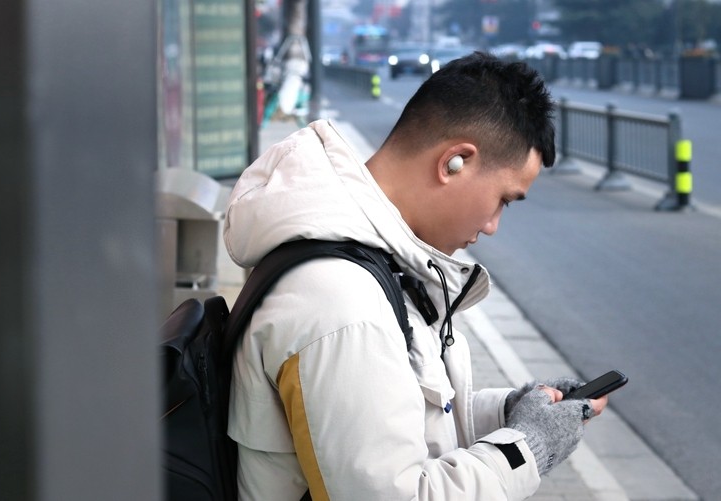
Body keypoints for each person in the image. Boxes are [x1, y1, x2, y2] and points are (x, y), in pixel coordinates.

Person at [223, 52, 607, 500]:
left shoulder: (365, 261)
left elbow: (403, 419)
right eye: (504, 199)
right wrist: (530, 447)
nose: (492, 226)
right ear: (455, 162)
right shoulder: (341, 306)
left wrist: (510, 414)